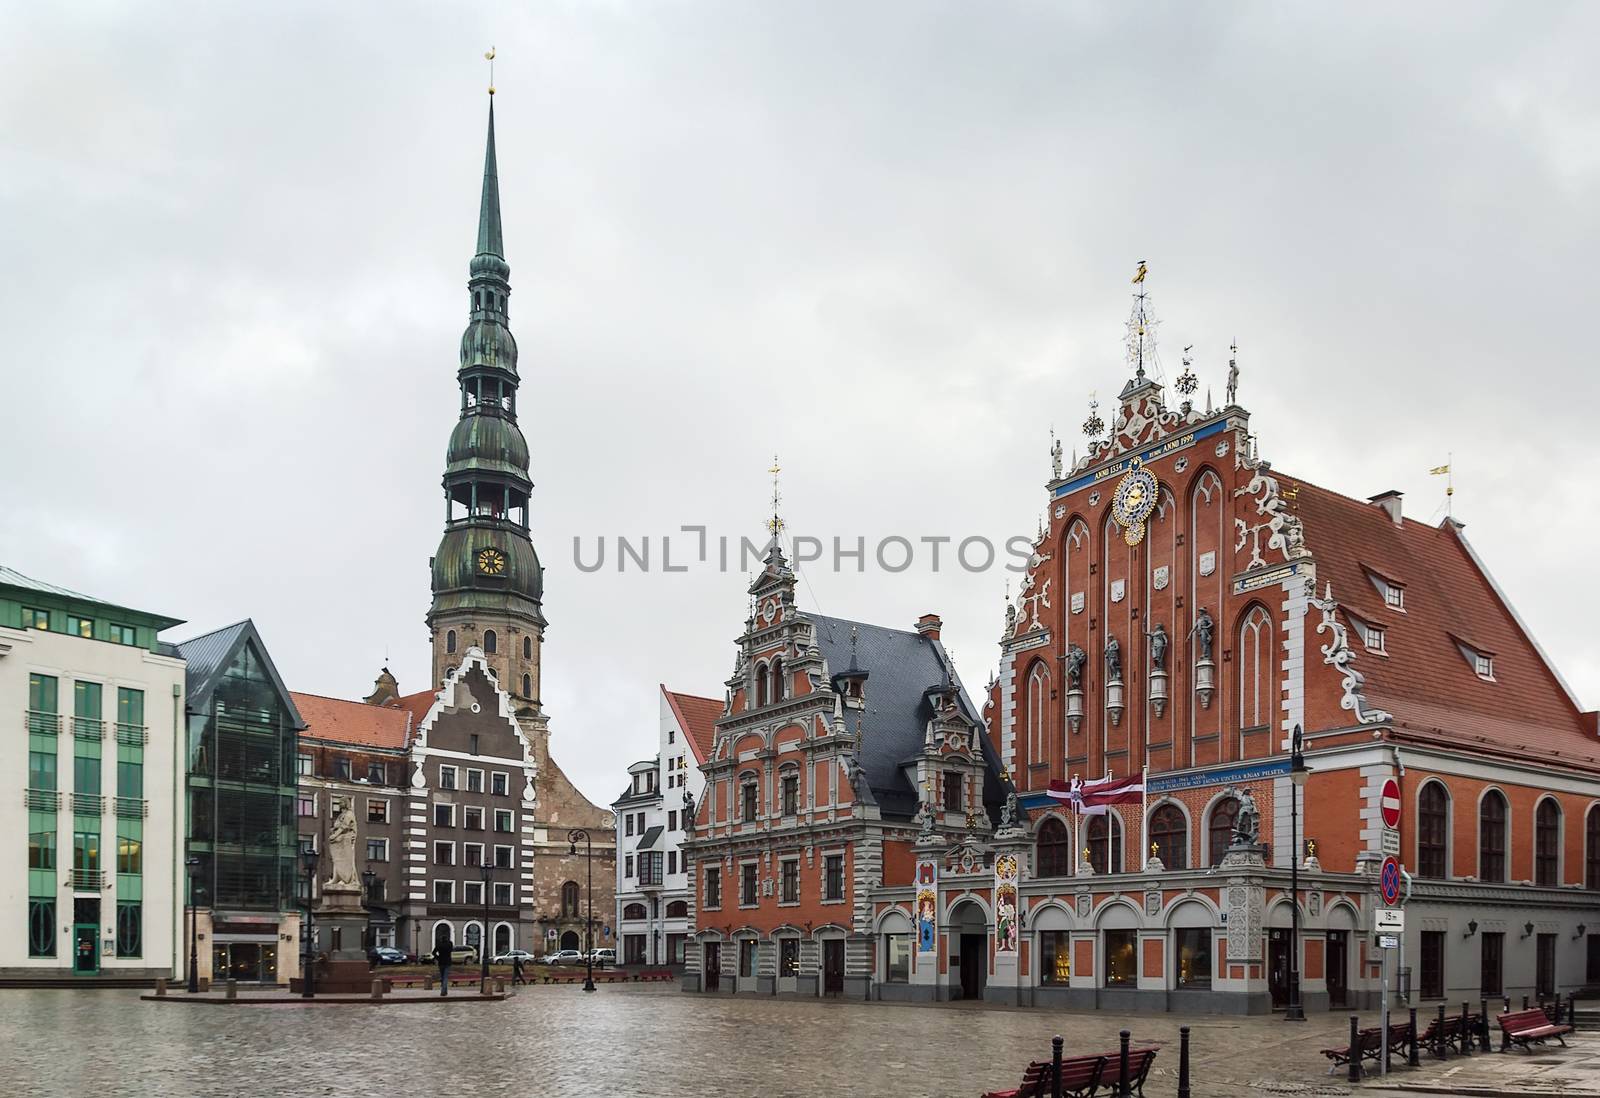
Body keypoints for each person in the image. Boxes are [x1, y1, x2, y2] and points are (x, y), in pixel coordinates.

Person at [436, 930, 453, 996]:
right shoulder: (450, 944)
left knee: (443, 977)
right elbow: (451, 950)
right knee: (445, 977)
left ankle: (444, 991)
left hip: (441, 962)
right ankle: (443, 991)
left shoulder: (439, 944)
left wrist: (438, 957)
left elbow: (433, 952)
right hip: (448, 962)